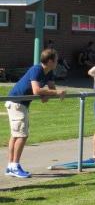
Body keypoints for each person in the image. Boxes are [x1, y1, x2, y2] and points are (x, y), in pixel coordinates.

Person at [5, 49, 66, 178]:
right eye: (56, 60)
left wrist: (47, 93)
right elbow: (37, 90)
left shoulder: (49, 73)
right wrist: (51, 93)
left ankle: (11, 166)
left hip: (22, 104)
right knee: (21, 135)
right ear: (50, 61)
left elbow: (50, 90)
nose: (57, 62)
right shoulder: (37, 69)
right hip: (16, 102)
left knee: (16, 135)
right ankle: (14, 165)